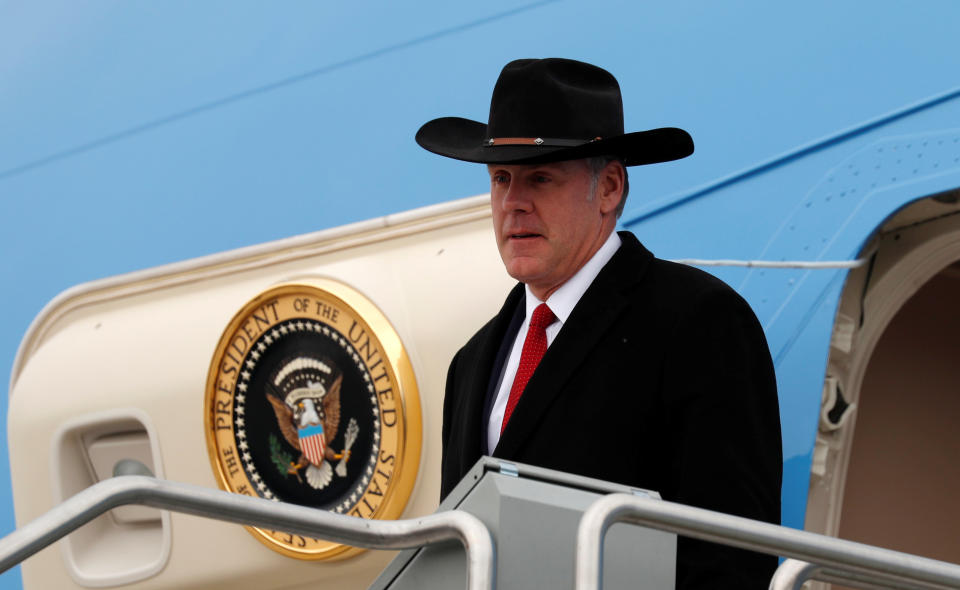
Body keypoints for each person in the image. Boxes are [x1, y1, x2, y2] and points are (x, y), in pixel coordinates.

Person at [416, 58, 782, 589]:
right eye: (501, 179)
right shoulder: (471, 362)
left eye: (539, 177)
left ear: (609, 188)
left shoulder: (700, 322)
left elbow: (732, 556)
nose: (513, 203)